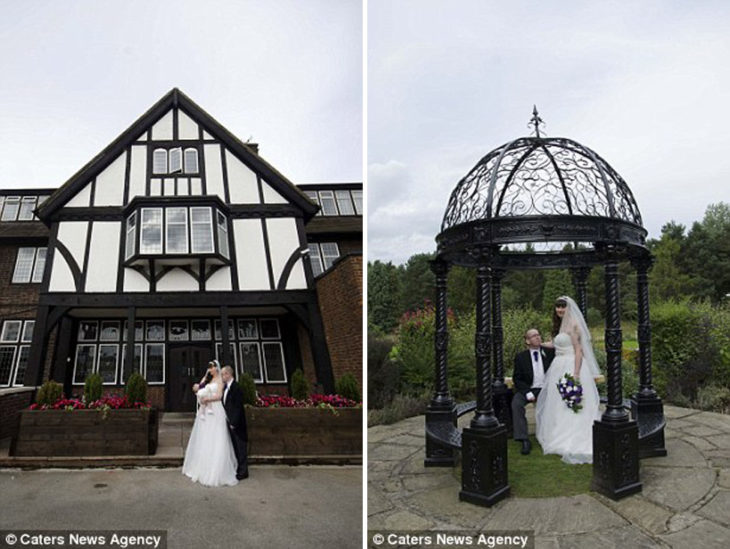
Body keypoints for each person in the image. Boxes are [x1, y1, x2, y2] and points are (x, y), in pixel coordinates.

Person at [536, 296, 602, 464]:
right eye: (557, 307)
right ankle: (558, 431)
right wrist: (539, 344)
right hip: (558, 365)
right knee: (558, 401)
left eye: (563, 307)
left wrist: (576, 373)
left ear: (569, 308)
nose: (559, 310)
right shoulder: (561, 325)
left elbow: (578, 350)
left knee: (572, 401)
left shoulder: (573, 324)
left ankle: (573, 436)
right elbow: (557, 344)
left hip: (570, 365)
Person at [182, 360, 238, 486]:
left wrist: (207, 398)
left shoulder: (220, 381)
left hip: (216, 409)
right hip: (206, 411)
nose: (209, 369)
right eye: (208, 367)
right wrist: (203, 380)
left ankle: (217, 468)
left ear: (216, 369)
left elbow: (218, 396)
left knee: (216, 436)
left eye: (211, 367)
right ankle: (203, 466)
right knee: (205, 437)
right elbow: (199, 387)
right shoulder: (208, 379)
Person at [512, 328, 555, 455]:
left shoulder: (550, 353)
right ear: (527, 341)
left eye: (538, 334)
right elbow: (517, 378)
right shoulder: (521, 357)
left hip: (545, 388)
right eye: (533, 336)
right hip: (528, 389)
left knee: (553, 402)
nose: (538, 337)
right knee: (516, 404)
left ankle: (549, 434)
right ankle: (523, 439)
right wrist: (527, 392)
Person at [221, 365, 249, 480]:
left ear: (228, 374)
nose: (222, 376)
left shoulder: (236, 388)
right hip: (229, 421)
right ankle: (238, 469)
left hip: (236, 423)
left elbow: (238, 407)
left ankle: (244, 471)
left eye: (223, 374)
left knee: (240, 447)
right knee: (235, 447)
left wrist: (234, 422)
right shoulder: (225, 387)